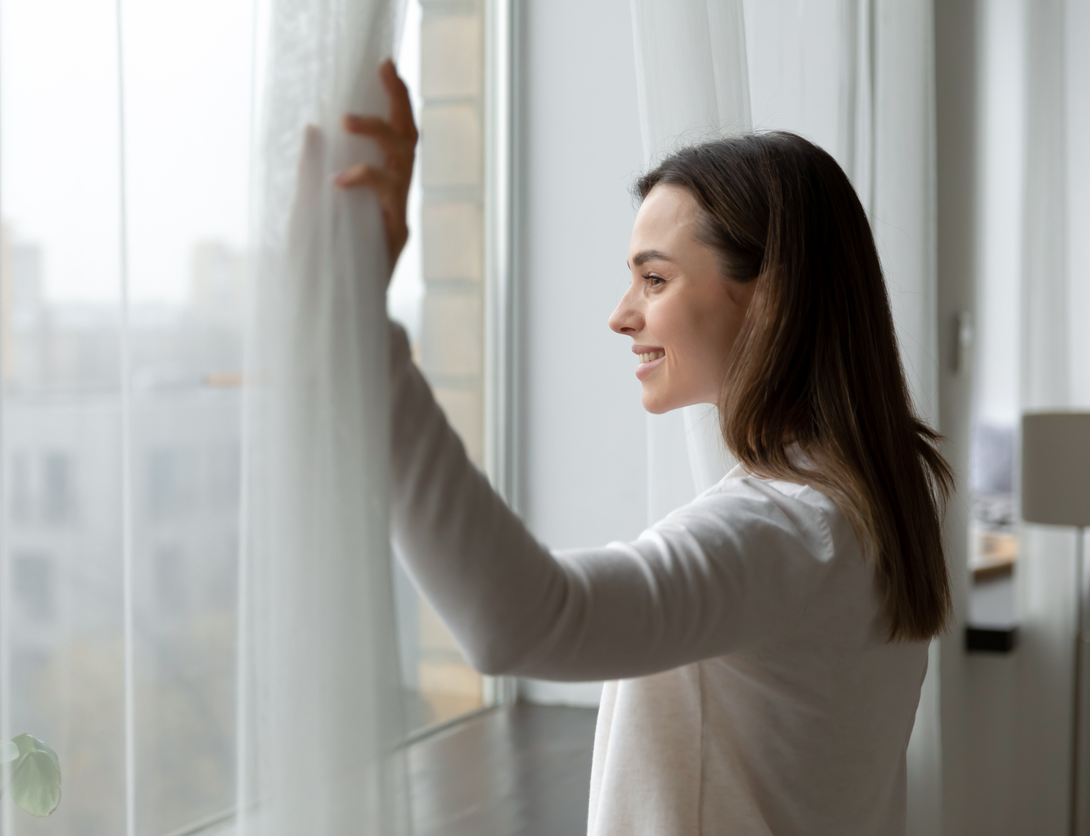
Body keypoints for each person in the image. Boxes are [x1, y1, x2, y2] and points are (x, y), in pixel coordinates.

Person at [337, 59, 952, 836]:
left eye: (654, 280)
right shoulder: (874, 500)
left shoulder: (784, 535)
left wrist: (362, 331)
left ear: (771, 297)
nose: (621, 315)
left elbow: (518, 621)